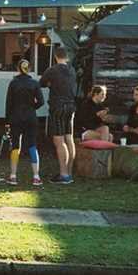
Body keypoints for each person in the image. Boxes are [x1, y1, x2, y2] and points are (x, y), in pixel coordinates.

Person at [39, 46, 76, 185]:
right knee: (69, 138)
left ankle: (63, 174)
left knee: (59, 141)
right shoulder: (72, 70)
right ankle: (70, 172)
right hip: (71, 105)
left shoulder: (52, 70)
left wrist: (50, 83)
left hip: (57, 106)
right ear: (67, 56)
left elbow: (42, 83)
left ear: (55, 56)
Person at [4, 59, 44, 186]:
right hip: (31, 117)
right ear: (29, 68)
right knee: (32, 145)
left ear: (18, 68)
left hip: (15, 117)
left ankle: (13, 176)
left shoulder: (13, 83)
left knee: (16, 146)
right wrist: (32, 107)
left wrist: (7, 120)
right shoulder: (34, 83)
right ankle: (36, 177)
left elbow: (8, 103)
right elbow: (41, 101)